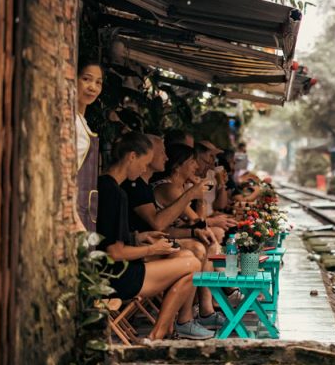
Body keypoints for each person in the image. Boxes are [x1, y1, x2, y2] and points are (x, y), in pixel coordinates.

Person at [96, 132, 212, 340]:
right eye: (144, 162)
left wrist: (139, 238)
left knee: (189, 260)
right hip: (115, 277)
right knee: (192, 264)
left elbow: (106, 237)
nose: (143, 169)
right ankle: (161, 330)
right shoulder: (114, 192)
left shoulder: (108, 186)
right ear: (132, 156)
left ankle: (165, 328)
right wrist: (153, 249)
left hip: (113, 269)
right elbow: (114, 251)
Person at [124, 135, 224, 329]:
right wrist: (193, 195)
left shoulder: (143, 186)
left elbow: (180, 226)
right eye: (161, 152)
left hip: (149, 246)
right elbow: (160, 224)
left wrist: (196, 202)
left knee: (200, 244)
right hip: (137, 257)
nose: (166, 157)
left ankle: (193, 314)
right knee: (195, 253)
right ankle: (187, 318)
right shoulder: (142, 188)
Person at [75, 58, 103, 232]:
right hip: (73, 209)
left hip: (85, 209)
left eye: (98, 82)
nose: (93, 87)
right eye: (86, 79)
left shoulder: (82, 122)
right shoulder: (71, 121)